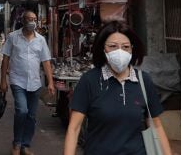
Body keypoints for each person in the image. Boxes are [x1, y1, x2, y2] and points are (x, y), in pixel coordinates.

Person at [63, 21, 173, 155]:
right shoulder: (89, 81)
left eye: (125, 47)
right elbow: (74, 128)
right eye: (113, 46)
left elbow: (156, 125)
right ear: (103, 49)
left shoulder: (144, 81)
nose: (120, 51)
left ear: (132, 48)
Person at [0, 10, 55, 155]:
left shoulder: (41, 40)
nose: (32, 21)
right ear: (22, 20)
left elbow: (46, 62)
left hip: (35, 83)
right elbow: (5, 59)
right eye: (29, 19)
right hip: (17, 80)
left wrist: (50, 82)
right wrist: (3, 81)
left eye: (34, 19)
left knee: (31, 115)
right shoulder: (13, 37)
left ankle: (25, 144)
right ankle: (16, 144)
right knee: (22, 111)